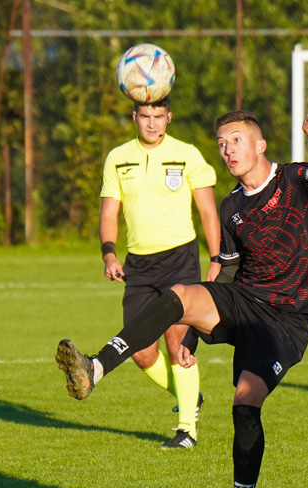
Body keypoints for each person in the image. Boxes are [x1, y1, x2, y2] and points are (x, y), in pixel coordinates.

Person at [56, 109, 308, 488]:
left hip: (287, 319)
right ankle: (96, 367)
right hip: (244, 299)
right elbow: (226, 275)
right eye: (221, 143)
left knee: (245, 406)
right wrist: (190, 327)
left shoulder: (297, 179)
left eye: (235, 140)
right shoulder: (232, 208)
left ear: (259, 144)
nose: (227, 149)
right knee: (181, 292)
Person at [99, 96, 221, 449]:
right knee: (140, 351)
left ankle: (186, 430)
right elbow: (108, 214)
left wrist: (216, 258)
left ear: (169, 118)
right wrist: (109, 254)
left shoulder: (188, 154)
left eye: (159, 117)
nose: (152, 124)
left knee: (176, 343)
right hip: (138, 265)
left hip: (180, 260)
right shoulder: (118, 158)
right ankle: (190, 397)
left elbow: (208, 213)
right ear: (134, 117)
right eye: (145, 117)